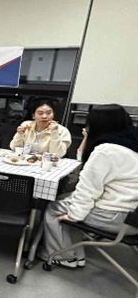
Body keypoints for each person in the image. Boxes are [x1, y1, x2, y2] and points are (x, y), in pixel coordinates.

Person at [40, 104, 138, 268]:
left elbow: (88, 190)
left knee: (53, 207)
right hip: (132, 216)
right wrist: (87, 138)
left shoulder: (106, 151)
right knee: (67, 199)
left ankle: (63, 256)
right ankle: (77, 254)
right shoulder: (130, 143)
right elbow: (83, 159)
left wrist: (74, 215)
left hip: (113, 216)